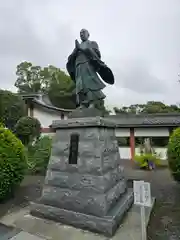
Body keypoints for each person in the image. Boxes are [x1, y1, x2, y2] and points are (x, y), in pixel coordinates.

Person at [66, 29, 114, 108]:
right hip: (78, 66)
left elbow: (97, 54)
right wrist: (76, 50)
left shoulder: (92, 43)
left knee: (89, 83)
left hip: (87, 65)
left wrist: (82, 49)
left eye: (83, 32)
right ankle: (82, 104)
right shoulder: (77, 47)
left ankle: (92, 103)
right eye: (80, 33)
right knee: (80, 85)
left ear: (88, 34)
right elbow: (70, 58)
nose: (81, 34)